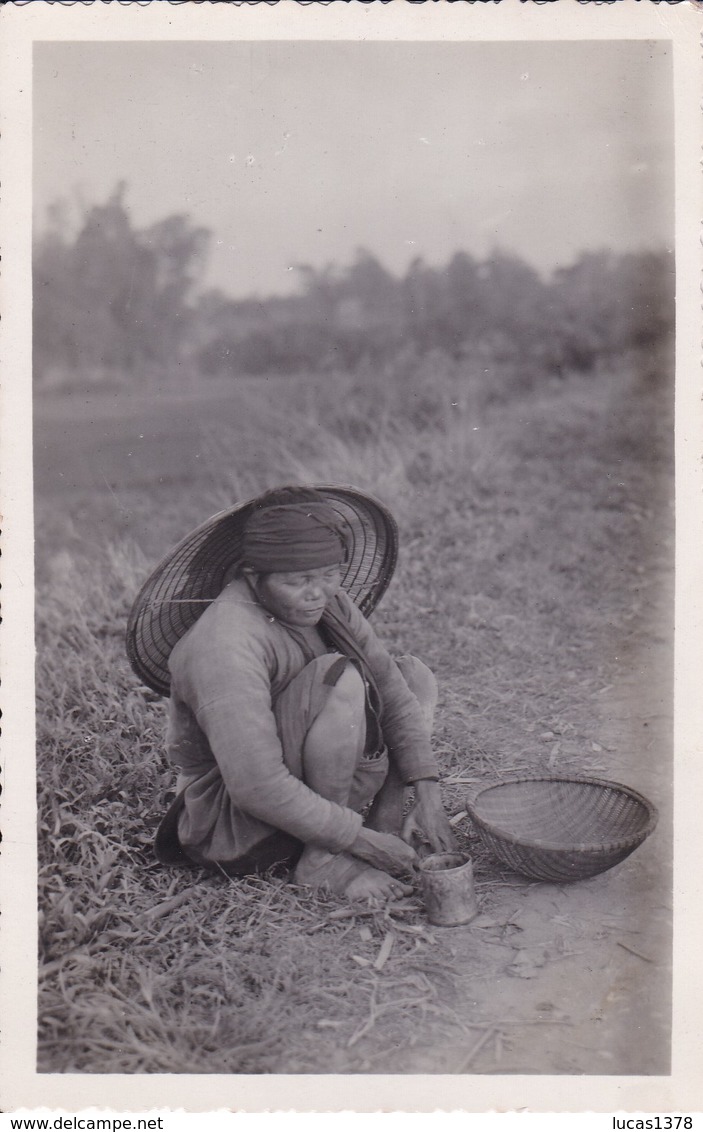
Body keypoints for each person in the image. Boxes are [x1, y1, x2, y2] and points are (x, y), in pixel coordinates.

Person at [154, 486, 457, 903]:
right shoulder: (224, 644)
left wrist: (428, 794)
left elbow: (391, 687)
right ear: (252, 575)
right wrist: (357, 841)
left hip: (314, 788)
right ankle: (322, 860)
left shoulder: (327, 601)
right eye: (298, 581)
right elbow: (256, 787)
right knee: (340, 677)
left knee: (413, 677)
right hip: (242, 825)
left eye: (330, 576)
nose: (318, 592)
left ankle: (385, 822)